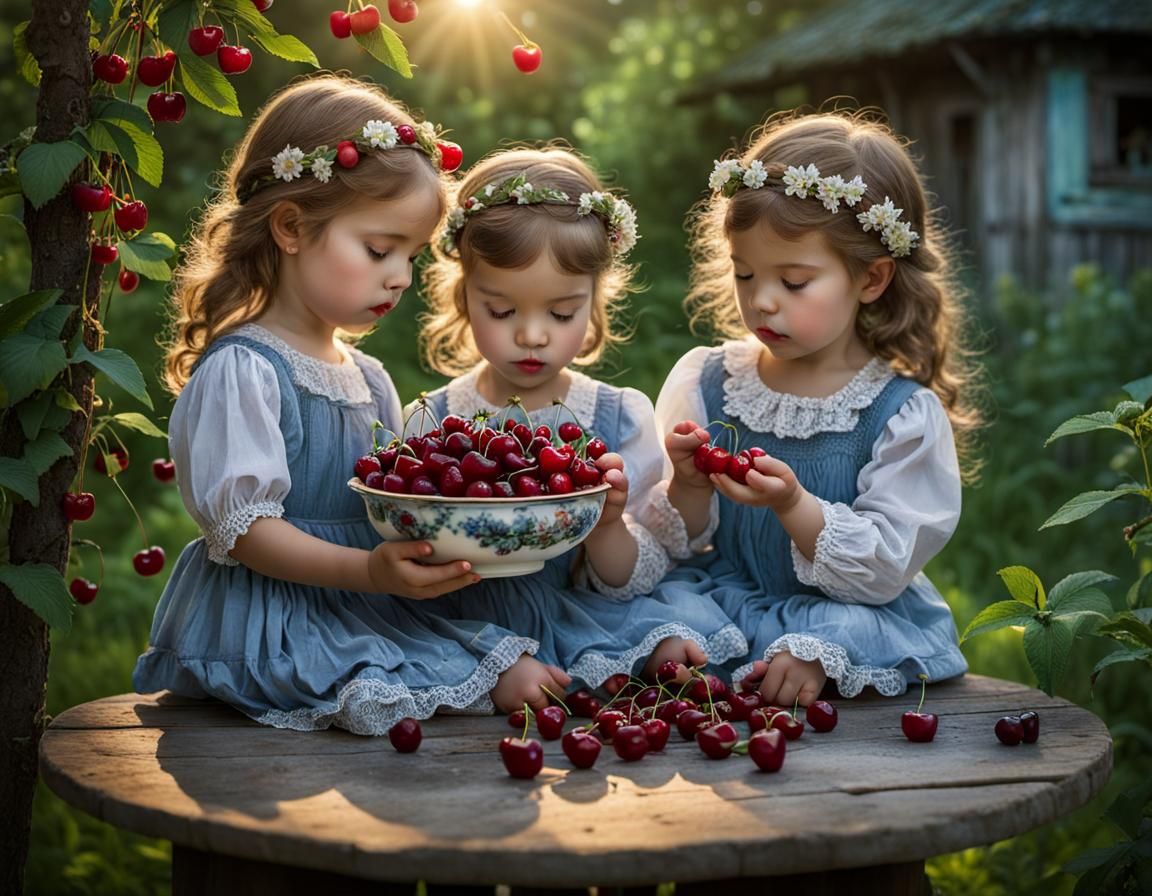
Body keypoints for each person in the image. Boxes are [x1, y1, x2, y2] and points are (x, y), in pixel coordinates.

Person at [132, 74, 572, 734]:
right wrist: (367, 570)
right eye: (378, 249)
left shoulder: (369, 378)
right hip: (274, 614)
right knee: (385, 690)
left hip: (363, 597)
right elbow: (247, 533)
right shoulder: (244, 370)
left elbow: (388, 503)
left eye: (412, 254)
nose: (400, 276)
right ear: (289, 227)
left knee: (515, 661)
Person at [641, 111, 980, 707]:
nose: (761, 299)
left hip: (843, 613)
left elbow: (881, 571)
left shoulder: (898, 415)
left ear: (871, 278)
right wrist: (690, 488)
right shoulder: (709, 380)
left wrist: (794, 504)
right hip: (723, 599)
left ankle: (810, 662)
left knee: (836, 636)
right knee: (660, 621)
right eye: (745, 274)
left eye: (793, 282)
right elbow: (674, 544)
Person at [409, 146, 746, 689]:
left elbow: (625, 583)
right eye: (501, 310)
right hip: (465, 620)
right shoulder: (435, 424)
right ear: (463, 296)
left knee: (660, 637)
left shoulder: (617, 418)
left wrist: (607, 523)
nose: (532, 335)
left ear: (593, 305)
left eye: (561, 312)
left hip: (588, 610)